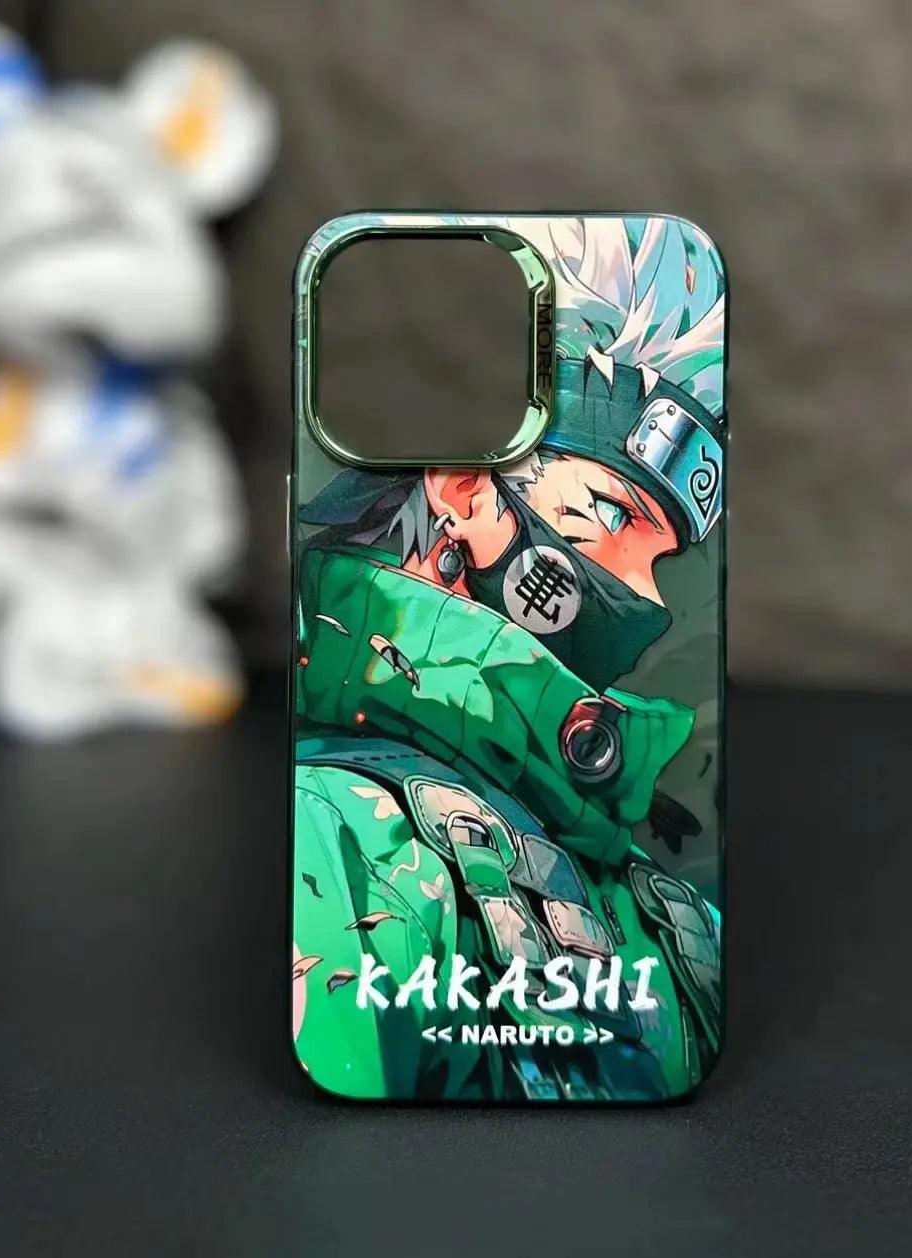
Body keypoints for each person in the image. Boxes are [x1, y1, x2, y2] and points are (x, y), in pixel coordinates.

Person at [291, 216, 727, 1100]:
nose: (641, 596)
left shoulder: (659, 907)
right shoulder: (334, 829)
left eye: (660, 558)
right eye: (611, 514)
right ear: (463, 491)